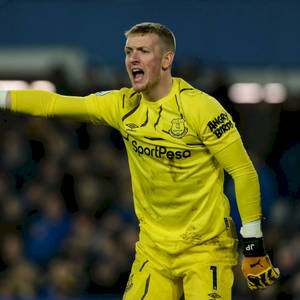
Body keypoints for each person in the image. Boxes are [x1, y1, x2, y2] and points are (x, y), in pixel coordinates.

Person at [0, 22, 279, 299]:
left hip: (205, 248)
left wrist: (253, 245)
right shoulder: (122, 106)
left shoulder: (202, 109)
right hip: (154, 250)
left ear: (166, 59)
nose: (133, 58)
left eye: (143, 51)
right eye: (128, 51)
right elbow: (54, 104)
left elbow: (244, 171)